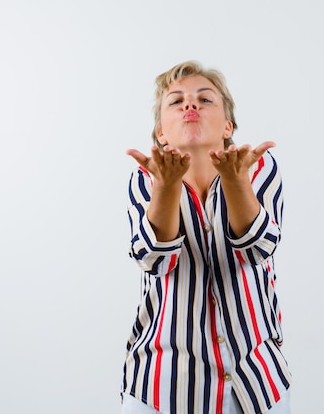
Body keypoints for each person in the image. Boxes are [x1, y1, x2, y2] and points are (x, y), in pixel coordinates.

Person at [122, 61, 291, 414]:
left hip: (256, 382)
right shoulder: (145, 180)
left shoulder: (257, 169)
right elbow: (155, 259)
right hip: (163, 384)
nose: (190, 105)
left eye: (205, 99)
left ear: (228, 126)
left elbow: (258, 249)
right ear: (161, 133)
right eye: (176, 101)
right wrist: (167, 188)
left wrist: (234, 181)